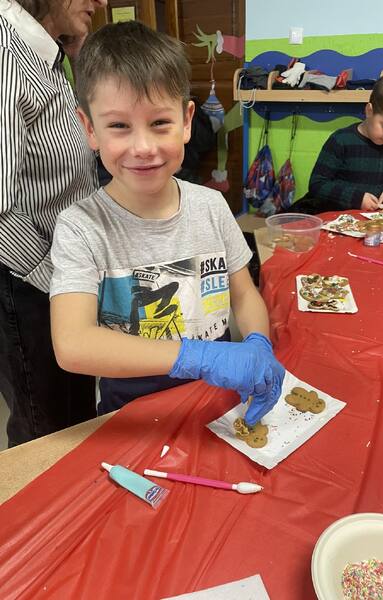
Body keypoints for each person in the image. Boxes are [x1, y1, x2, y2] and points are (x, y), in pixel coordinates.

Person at [49, 21, 284, 426]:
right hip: (134, 417)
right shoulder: (80, 227)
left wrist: (258, 342)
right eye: (119, 125)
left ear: (187, 120)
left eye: (159, 123)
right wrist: (199, 356)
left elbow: (244, 295)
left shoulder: (212, 206)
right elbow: (72, 344)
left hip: (218, 407)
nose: (143, 147)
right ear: (90, 129)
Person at [0, 0, 107, 447]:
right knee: (48, 430)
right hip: (27, 283)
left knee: (74, 412)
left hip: (61, 276)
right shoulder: (7, 54)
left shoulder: (43, 50)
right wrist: (58, 278)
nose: (102, 2)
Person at [289, 72, 383, 214]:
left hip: (369, 219)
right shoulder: (341, 140)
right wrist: (356, 198)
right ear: (369, 111)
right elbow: (317, 184)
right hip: (331, 215)